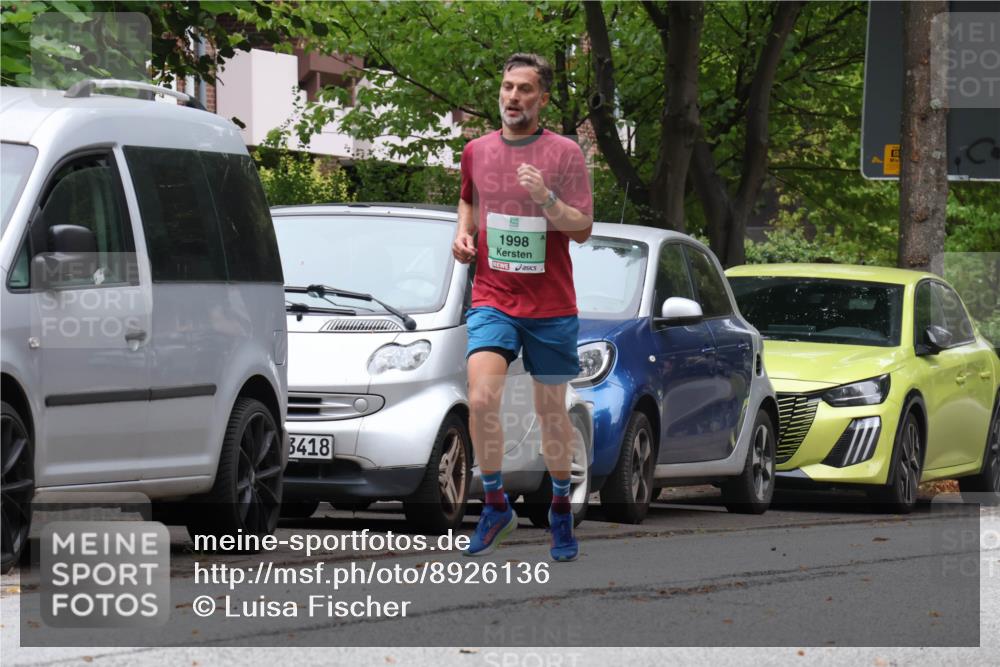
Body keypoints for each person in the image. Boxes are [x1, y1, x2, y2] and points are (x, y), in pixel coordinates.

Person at [452, 53, 593, 562]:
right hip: (493, 297)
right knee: (482, 398)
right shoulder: (476, 150)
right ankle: (494, 504)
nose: (513, 97)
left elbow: (581, 228)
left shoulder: (565, 153)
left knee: (551, 415)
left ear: (543, 98)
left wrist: (547, 197)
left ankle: (558, 508)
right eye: (508, 87)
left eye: (524, 89)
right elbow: (468, 199)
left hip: (551, 306)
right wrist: (462, 233)